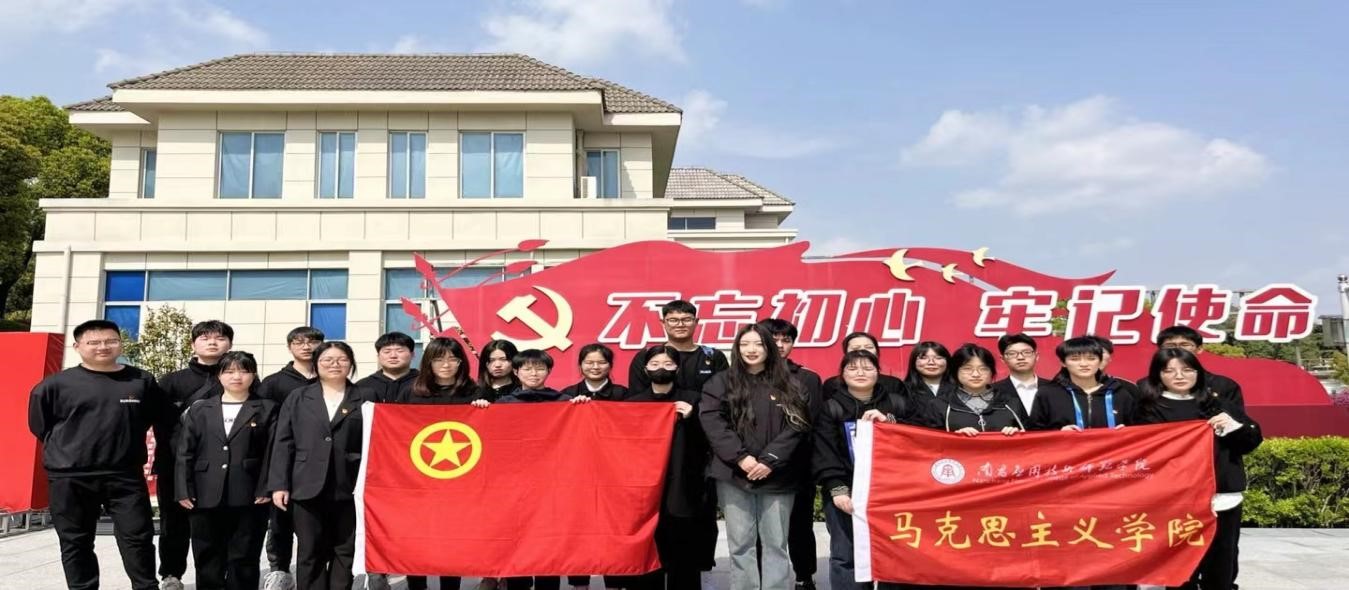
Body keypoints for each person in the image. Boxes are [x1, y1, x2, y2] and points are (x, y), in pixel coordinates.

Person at [28, 319, 169, 590]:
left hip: (124, 475)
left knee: (138, 537)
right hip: (70, 476)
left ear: (120, 343)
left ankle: (145, 586)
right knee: (75, 541)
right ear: (77, 346)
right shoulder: (55, 385)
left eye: (110, 341)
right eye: (93, 342)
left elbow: (154, 417)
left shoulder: (141, 380)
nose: (103, 346)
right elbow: (40, 426)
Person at [699, 324, 815, 590]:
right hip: (733, 474)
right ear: (737, 348)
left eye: (758, 344)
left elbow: (797, 426)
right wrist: (741, 458)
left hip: (778, 475)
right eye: (745, 344)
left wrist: (769, 460)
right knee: (741, 545)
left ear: (769, 347)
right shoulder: (720, 382)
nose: (751, 350)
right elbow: (713, 422)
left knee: (776, 544)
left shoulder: (791, 383)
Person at [1136, 348, 1262, 590]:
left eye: (1187, 370)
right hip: (1174, 499)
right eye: (1169, 371)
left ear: (1198, 372)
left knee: (1221, 564)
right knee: (1181, 569)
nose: (1179, 376)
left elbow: (1251, 442)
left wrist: (1233, 427)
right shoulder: (1146, 408)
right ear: (1158, 375)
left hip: (1221, 498)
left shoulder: (1218, 404)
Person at [624, 300, 730, 576]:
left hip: (697, 452)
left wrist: (694, 414)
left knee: (695, 521)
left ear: (696, 322)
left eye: (686, 319)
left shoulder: (712, 357)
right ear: (663, 323)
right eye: (673, 319)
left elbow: (722, 402)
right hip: (652, 456)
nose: (680, 324)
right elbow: (636, 410)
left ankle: (697, 568)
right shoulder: (645, 357)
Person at [814, 350, 931, 590]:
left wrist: (890, 422)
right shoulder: (830, 407)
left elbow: (922, 435)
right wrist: (837, 488)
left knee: (896, 551)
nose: (860, 373)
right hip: (847, 491)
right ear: (842, 374)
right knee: (846, 554)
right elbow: (824, 451)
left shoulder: (897, 402)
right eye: (853, 368)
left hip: (894, 492)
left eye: (867, 368)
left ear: (878, 373)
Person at [267, 341, 375, 590]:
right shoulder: (298, 396)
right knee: (310, 549)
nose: (335, 364)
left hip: (351, 484)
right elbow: (283, 442)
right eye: (327, 359)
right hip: (305, 484)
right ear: (316, 364)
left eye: (342, 359)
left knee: (345, 549)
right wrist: (279, 484)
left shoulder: (366, 396)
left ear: (351, 364)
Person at [175, 351, 278, 590]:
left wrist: (266, 487)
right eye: (229, 371)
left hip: (250, 492)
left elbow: (273, 451)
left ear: (253, 374)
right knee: (207, 552)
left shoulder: (267, 408)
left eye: (243, 371)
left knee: (245, 554)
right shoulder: (201, 408)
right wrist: (183, 488)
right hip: (204, 491)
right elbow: (185, 452)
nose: (236, 377)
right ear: (219, 375)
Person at [395, 337, 485, 590]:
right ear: (428, 362)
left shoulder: (474, 392)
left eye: (453, 359)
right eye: (439, 359)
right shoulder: (411, 392)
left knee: (452, 537)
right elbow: (396, 430)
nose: (446, 365)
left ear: (461, 362)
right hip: (418, 479)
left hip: (460, 480)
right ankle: (416, 585)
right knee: (416, 537)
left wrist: (484, 410)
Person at [494, 349, 586, 590]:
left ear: (549, 371)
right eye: (527, 368)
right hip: (516, 486)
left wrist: (583, 408)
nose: (533, 373)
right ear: (516, 372)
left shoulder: (564, 402)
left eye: (540, 368)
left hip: (552, 485)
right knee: (517, 542)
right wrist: (481, 408)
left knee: (549, 543)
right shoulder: (503, 405)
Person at [154, 319, 234, 590]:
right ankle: (171, 574)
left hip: (220, 466)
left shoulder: (239, 378)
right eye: (205, 338)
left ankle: (217, 576)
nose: (212, 342)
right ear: (193, 344)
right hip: (176, 465)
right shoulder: (172, 381)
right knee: (173, 523)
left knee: (217, 525)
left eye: (220, 338)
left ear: (229, 344)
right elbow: (161, 425)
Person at [623, 345, 708, 590]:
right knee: (649, 548)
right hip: (645, 487)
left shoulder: (694, 400)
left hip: (684, 484)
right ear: (645, 369)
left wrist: (693, 417)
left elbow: (710, 440)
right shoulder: (633, 404)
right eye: (655, 364)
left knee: (684, 550)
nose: (662, 368)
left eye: (668, 364)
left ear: (677, 369)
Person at [756, 318, 822, 590]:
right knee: (760, 530)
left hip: (797, 466)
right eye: (774, 340)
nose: (780, 345)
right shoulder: (745, 376)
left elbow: (809, 422)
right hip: (756, 466)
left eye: (787, 340)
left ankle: (804, 576)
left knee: (799, 526)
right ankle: (763, 579)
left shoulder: (807, 378)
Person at [258, 326, 323, 590]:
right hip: (282, 459)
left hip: (318, 463)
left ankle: (318, 570)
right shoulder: (274, 383)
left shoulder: (330, 379)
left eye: (312, 342)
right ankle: (280, 571)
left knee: (315, 522)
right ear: (290, 347)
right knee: (280, 520)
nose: (306, 346)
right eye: (299, 342)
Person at [1031, 337, 1137, 431]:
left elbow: (1139, 432)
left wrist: (1126, 432)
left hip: (1112, 448)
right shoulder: (1048, 394)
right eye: (1075, 359)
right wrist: (1059, 433)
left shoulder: (1119, 394)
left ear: (1100, 361)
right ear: (1063, 363)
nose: (1084, 364)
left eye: (1091, 359)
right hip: (1066, 447)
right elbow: (1034, 434)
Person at [927, 344, 1025, 435]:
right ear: (955, 371)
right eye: (967, 369)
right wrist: (955, 438)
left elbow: (1029, 441)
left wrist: (1017, 434)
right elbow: (932, 442)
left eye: (983, 369)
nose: (976, 374)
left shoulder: (1011, 403)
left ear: (992, 372)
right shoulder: (940, 405)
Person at [1153, 325, 1246, 411]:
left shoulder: (1223, 385)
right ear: (1160, 350)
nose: (1178, 349)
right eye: (1170, 345)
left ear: (1199, 349)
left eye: (1185, 345)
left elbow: (1239, 419)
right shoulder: (1147, 386)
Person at [990, 333, 1065, 422]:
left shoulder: (1055, 388)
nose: (1020, 357)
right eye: (1012, 353)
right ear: (1003, 359)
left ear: (1036, 356)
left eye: (1026, 352)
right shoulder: (993, 391)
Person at [820, 332, 907, 399]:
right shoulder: (832, 385)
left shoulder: (894, 384)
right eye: (855, 348)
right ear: (846, 354)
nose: (862, 351)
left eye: (868, 347)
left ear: (877, 352)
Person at [357, 331, 419, 403]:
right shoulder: (362, 386)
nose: (393, 356)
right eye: (387, 351)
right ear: (378, 356)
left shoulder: (425, 383)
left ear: (412, 354)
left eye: (400, 351)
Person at [560, 342, 629, 402]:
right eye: (589, 362)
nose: (595, 367)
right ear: (580, 365)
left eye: (602, 362)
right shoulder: (568, 394)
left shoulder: (623, 394)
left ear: (611, 365)